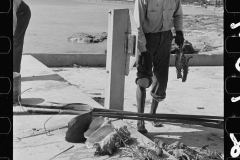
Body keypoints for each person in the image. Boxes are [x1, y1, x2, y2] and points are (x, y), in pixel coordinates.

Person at [133, 0, 184, 134]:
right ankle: (140, 120)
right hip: (146, 38)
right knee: (143, 79)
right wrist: (143, 50)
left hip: (165, 38)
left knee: (161, 81)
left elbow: (178, 15)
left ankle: (152, 114)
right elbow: (137, 25)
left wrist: (179, 32)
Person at [13, 0, 31, 73]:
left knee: (14, 42)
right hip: (16, 12)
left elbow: (12, 16)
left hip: (22, 14)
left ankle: (15, 74)